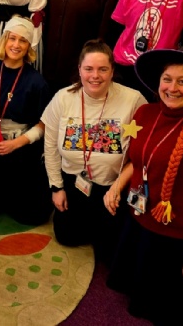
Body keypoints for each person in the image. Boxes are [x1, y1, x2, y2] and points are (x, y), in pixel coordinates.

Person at [104, 49, 183, 325]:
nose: (172, 88)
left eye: (182, 81)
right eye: (167, 79)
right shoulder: (145, 113)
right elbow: (140, 161)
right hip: (140, 223)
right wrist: (116, 186)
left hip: (179, 238)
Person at [41, 40, 146, 264]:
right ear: (79, 69)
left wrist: (118, 188)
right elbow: (50, 147)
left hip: (112, 188)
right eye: (89, 69)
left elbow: (144, 152)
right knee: (66, 236)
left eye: (102, 69)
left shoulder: (133, 100)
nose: (95, 76)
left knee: (108, 250)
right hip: (75, 181)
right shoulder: (63, 97)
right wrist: (56, 187)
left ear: (112, 71)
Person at [0, 16, 52, 225]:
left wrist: (15, 144)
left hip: (19, 148)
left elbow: (43, 124)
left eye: (23, 40)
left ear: (29, 46)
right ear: (4, 40)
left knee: (29, 216)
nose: (16, 45)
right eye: (12, 38)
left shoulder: (37, 82)